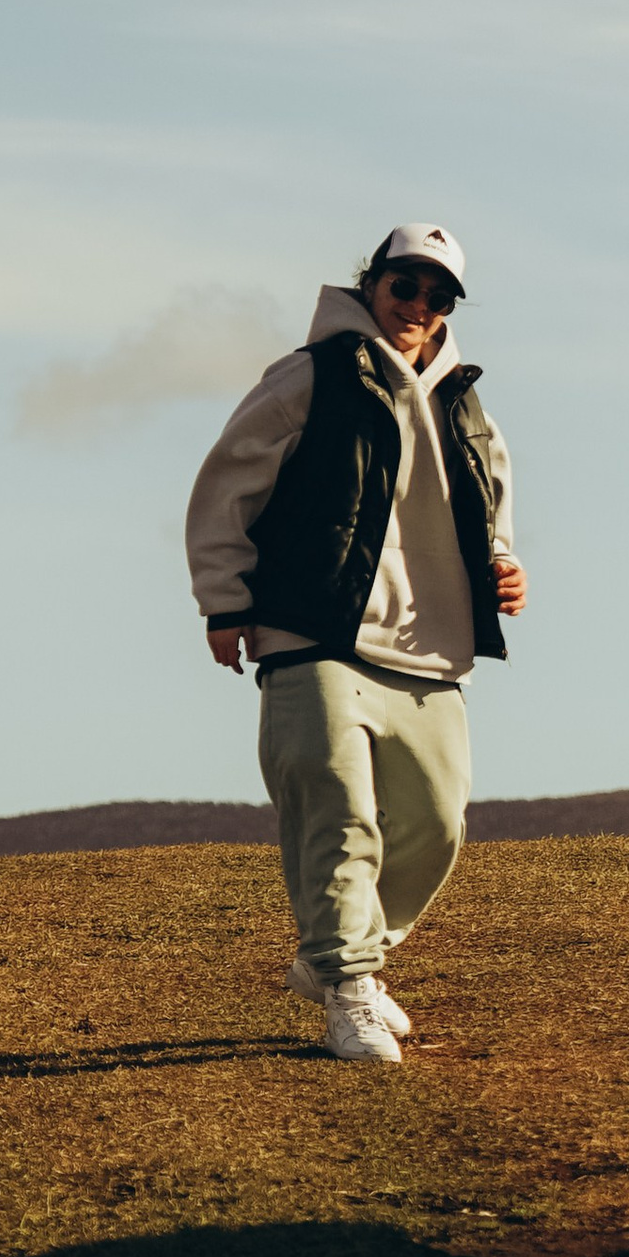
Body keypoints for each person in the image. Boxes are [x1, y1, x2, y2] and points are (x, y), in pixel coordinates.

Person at [186, 222, 526, 1065]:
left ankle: (339, 957)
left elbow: (493, 504)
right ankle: (347, 984)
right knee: (338, 815)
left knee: (434, 824)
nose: (417, 304)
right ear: (370, 283)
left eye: (436, 293)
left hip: (429, 643)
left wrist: (505, 565)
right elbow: (229, 481)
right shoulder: (310, 375)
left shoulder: (464, 399)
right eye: (403, 284)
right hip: (314, 627)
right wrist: (225, 600)